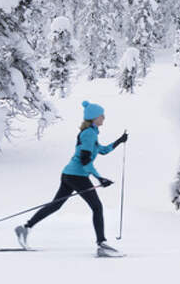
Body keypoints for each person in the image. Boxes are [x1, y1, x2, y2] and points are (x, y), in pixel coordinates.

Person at [15, 100, 128, 255]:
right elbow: (85, 160)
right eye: (101, 115)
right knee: (97, 207)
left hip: (69, 174)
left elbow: (102, 150)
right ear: (94, 117)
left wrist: (119, 141)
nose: (104, 117)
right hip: (77, 176)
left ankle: (25, 228)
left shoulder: (91, 132)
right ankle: (102, 244)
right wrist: (99, 178)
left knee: (55, 205)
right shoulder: (89, 134)